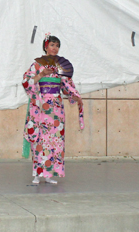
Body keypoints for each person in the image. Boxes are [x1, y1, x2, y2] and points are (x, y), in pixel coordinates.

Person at [22, 33, 83, 184]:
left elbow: (66, 86)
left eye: (57, 46)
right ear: (45, 46)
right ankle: (37, 173)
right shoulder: (36, 65)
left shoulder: (61, 67)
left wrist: (74, 95)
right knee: (39, 139)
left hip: (56, 108)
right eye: (52, 45)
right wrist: (41, 74)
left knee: (55, 140)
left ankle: (49, 174)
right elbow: (26, 82)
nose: (55, 48)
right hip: (41, 106)